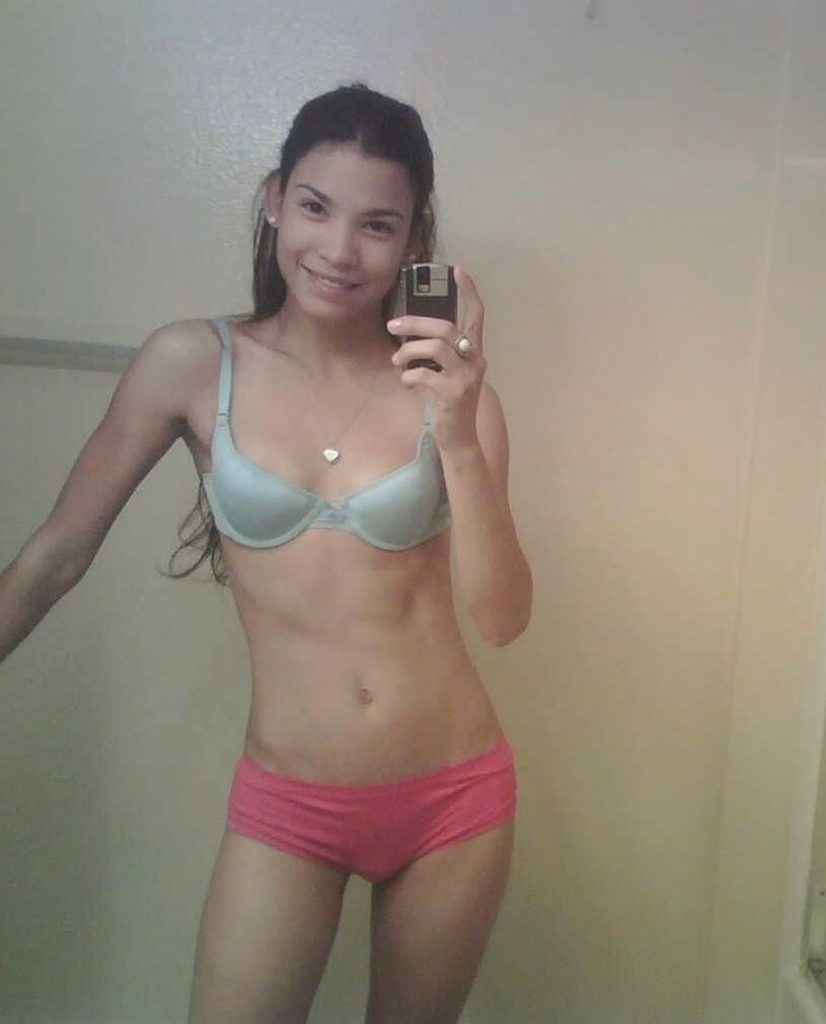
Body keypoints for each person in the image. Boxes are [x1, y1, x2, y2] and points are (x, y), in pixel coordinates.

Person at [0, 81, 533, 1023]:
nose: (339, 250)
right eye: (317, 208)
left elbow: (501, 619)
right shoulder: (191, 363)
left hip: (454, 794)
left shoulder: (455, 397)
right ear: (275, 200)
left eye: (377, 225)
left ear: (413, 240)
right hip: (292, 803)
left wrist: (455, 431)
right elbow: (56, 553)